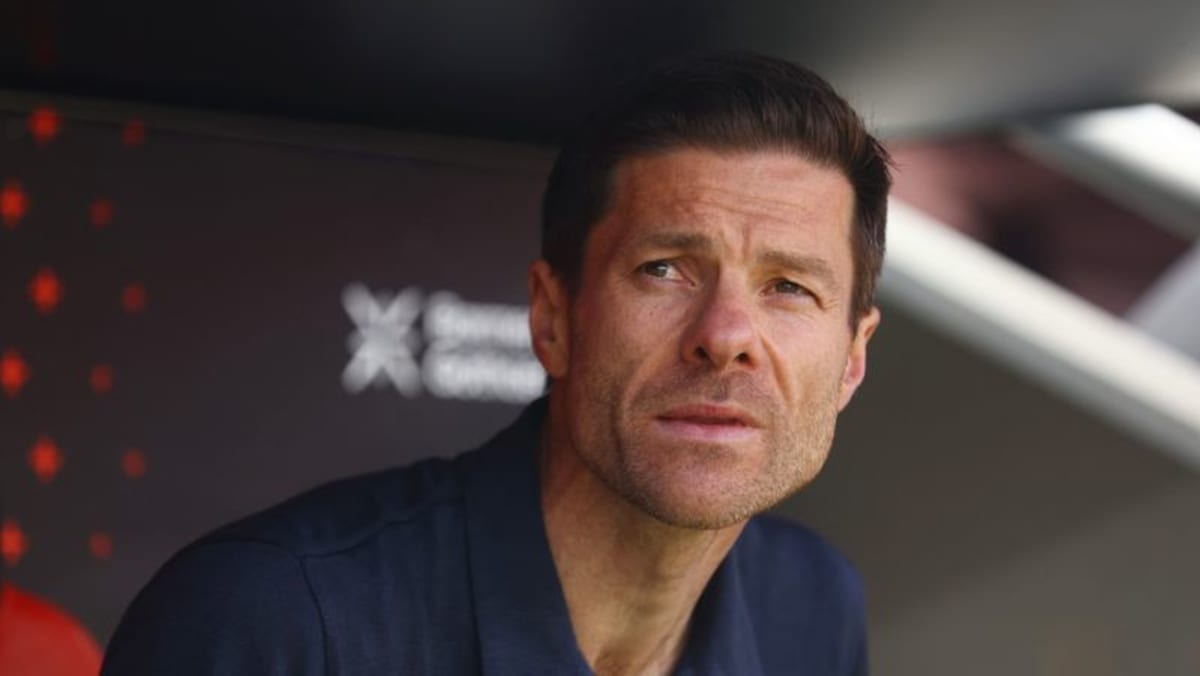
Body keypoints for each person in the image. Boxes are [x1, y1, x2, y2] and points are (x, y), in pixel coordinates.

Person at [102, 52, 889, 675]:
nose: (726, 335)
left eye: (789, 287)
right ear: (552, 319)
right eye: (664, 269)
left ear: (853, 360)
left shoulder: (812, 610)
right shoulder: (274, 619)